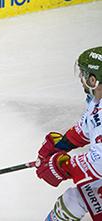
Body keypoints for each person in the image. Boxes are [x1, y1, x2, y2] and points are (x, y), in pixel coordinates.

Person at [35, 47, 102, 220]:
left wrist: (61, 165)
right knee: (76, 198)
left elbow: (99, 162)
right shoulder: (97, 101)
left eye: (85, 74)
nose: (82, 79)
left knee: (79, 197)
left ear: (93, 79)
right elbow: (87, 128)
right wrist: (61, 146)